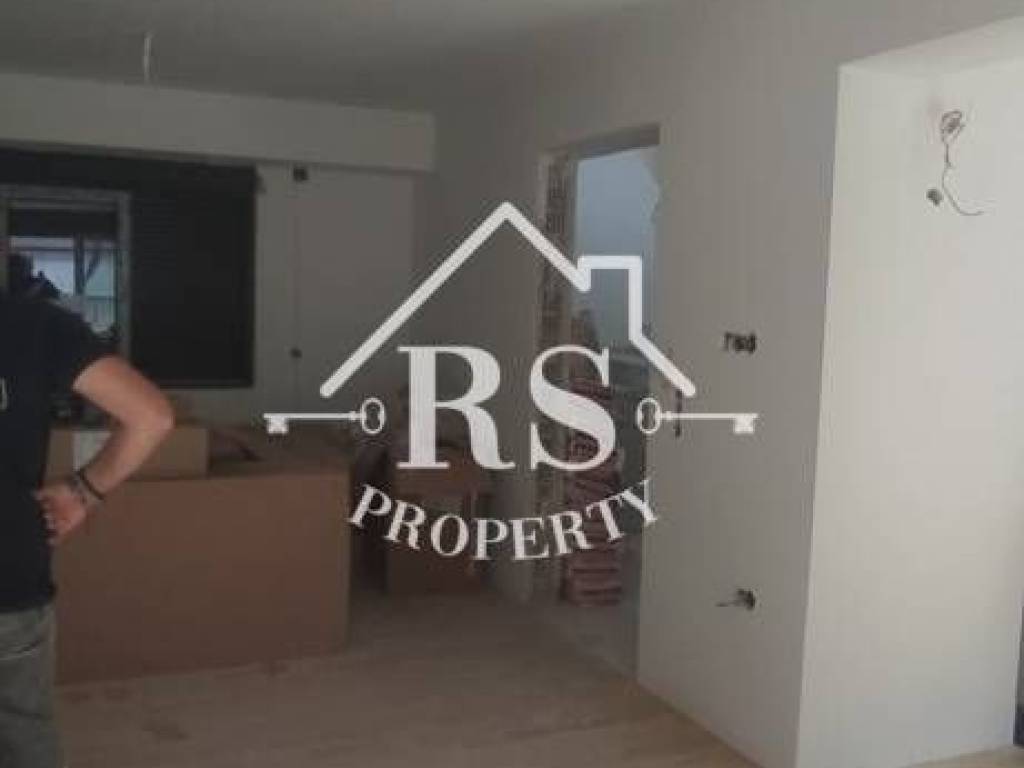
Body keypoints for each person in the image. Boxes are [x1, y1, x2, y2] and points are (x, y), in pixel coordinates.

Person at [0, 284, 174, 767]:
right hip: (10, 580)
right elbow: (152, 417)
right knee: (22, 736)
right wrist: (83, 492)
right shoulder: (33, 323)